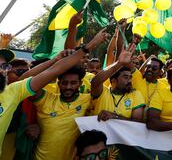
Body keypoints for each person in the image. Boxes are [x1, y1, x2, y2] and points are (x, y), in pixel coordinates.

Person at [0, 28, 106, 157]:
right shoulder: (46, 99)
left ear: (80, 83)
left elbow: (39, 74)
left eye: (4, 66)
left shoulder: (12, 92)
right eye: (64, 82)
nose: (68, 87)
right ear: (58, 83)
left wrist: (57, 59)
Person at [91, 44, 145, 122]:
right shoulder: (102, 93)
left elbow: (137, 122)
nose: (129, 81)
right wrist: (119, 63)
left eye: (130, 77)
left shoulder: (136, 95)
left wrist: (115, 117)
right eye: (125, 77)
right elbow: (95, 82)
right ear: (113, 80)